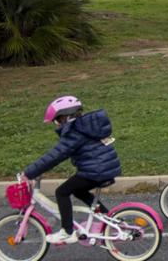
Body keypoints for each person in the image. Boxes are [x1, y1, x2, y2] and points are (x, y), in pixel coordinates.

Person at [21, 96, 123, 245]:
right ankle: (108, 218)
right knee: (78, 190)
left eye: (56, 121)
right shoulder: (84, 127)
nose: (56, 126)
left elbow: (55, 155)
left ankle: (67, 232)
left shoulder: (74, 133)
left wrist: (29, 173)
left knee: (62, 192)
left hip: (96, 170)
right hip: (102, 168)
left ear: (65, 118)